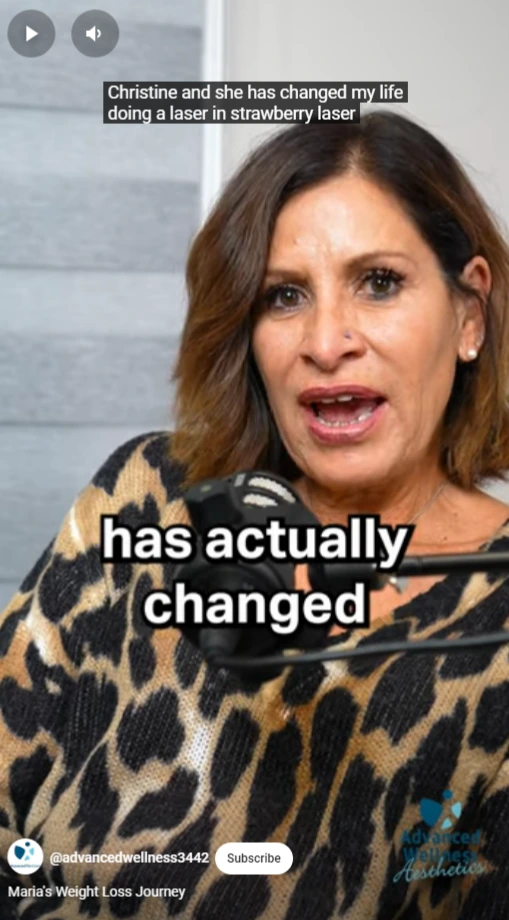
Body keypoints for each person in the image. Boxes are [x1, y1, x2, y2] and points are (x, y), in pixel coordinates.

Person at [2, 110, 509, 920]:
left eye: (378, 282)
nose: (326, 341)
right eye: (284, 296)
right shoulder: (147, 496)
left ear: (468, 315)